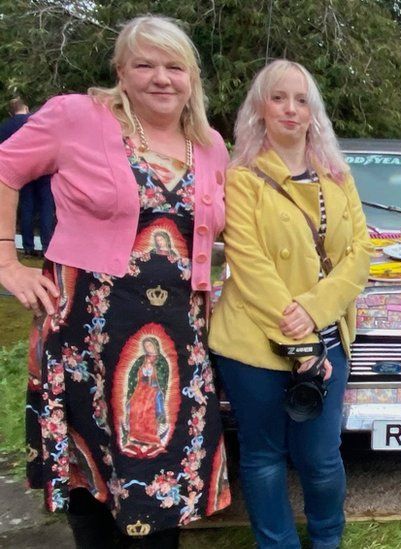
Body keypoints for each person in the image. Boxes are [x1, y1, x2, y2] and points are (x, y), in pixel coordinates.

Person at [0, 15, 231, 548]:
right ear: (121, 73)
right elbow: (6, 169)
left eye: (174, 66)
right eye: (144, 64)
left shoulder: (209, 145)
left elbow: (223, 234)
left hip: (177, 340)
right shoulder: (77, 117)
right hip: (85, 336)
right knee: (93, 487)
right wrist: (8, 263)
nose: (161, 78)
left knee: (160, 492)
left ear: (191, 77)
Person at [208, 59, 371, 549]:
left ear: (313, 113)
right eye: (279, 97)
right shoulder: (240, 177)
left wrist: (317, 312)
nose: (290, 109)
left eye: (302, 100)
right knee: (263, 456)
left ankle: (327, 540)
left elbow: (361, 253)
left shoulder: (338, 176)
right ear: (260, 107)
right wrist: (300, 338)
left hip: (325, 340)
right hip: (254, 343)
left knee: (321, 458)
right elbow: (250, 266)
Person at [0, 98, 54, 256]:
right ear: (26, 107)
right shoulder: (38, 120)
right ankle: (47, 246)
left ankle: (28, 246)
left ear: (11, 112)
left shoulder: (4, 127)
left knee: (26, 208)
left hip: (20, 171)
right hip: (43, 168)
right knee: (46, 207)